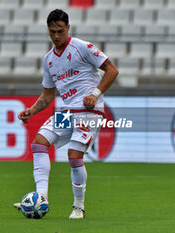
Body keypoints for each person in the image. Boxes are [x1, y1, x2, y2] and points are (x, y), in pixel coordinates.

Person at [14, 9, 118, 219]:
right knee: (39, 142)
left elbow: (112, 70)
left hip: (89, 111)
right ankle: (40, 198)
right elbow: (47, 94)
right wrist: (31, 111)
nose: (56, 36)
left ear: (68, 28)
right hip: (68, 111)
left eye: (60, 31)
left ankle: (78, 206)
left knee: (73, 156)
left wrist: (95, 93)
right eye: (52, 32)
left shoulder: (82, 47)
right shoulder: (49, 60)